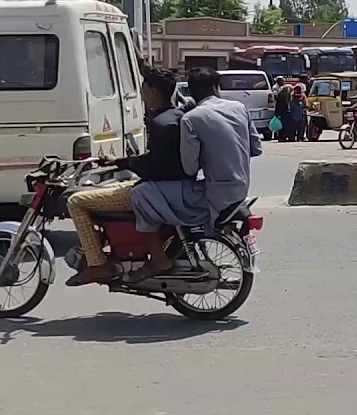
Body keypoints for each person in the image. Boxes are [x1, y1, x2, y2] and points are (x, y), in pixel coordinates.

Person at [66, 64, 194, 286]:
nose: (142, 94)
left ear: (153, 91)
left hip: (157, 188)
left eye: (144, 88)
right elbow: (159, 159)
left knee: (76, 201)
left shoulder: (159, 123)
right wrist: (121, 162)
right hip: (174, 184)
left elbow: (154, 166)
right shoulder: (176, 116)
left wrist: (126, 164)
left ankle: (98, 265)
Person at [135, 67, 261, 281]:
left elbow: (190, 168)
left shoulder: (191, 119)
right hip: (241, 191)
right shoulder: (239, 108)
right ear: (215, 87)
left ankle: (158, 258)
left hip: (215, 195)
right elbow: (256, 148)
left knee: (141, 193)